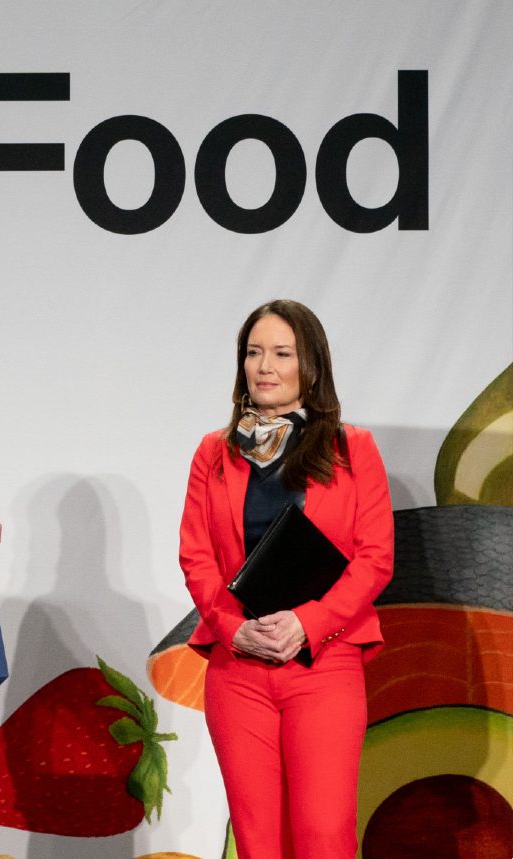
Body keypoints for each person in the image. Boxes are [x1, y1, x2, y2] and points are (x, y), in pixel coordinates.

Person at [177, 300, 394, 858]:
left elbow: (375, 558)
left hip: (325, 661)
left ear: (310, 366)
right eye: (253, 353)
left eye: (281, 353)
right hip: (239, 668)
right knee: (257, 841)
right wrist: (232, 630)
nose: (264, 367)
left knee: (324, 836)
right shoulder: (214, 452)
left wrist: (307, 622)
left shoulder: (353, 448)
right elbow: (196, 558)